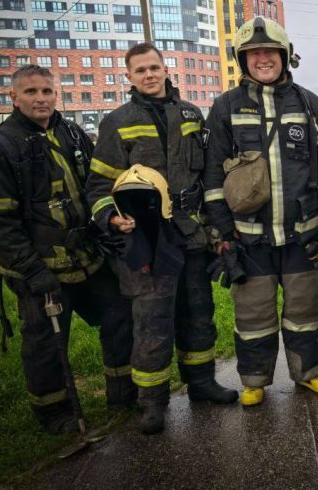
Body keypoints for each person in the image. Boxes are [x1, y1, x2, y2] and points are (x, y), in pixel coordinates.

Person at [0, 65, 134, 433]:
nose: (40, 98)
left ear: (55, 94)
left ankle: (124, 394)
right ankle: (54, 413)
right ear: (13, 97)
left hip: (87, 257)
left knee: (119, 313)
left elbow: (95, 186)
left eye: (46, 91)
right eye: (31, 92)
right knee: (47, 342)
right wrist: (33, 271)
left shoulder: (72, 133)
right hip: (38, 267)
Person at [86, 42, 236, 434]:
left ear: (165, 69)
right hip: (147, 237)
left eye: (154, 67)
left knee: (197, 310)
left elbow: (207, 175)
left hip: (191, 232)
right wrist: (111, 218)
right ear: (129, 76)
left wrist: (214, 228)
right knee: (152, 321)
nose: (149, 75)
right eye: (141, 70)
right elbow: (98, 186)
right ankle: (152, 402)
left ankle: (201, 382)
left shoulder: (190, 114)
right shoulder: (117, 121)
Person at [203, 17, 318, 407]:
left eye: (270, 52)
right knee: (253, 317)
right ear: (242, 60)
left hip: (304, 235)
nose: (262, 59)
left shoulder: (309, 104)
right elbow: (212, 175)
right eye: (254, 53)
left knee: (304, 311)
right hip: (249, 239)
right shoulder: (225, 108)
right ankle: (254, 381)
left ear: (284, 56)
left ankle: (307, 373)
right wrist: (223, 231)